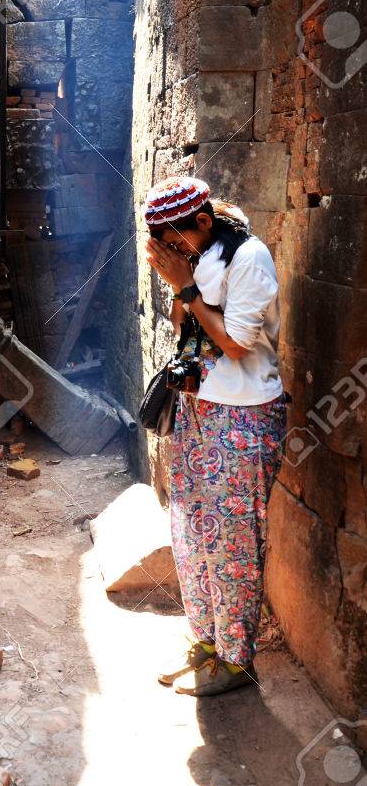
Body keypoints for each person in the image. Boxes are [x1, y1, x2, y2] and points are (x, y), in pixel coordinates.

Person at [143, 175, 286, 697]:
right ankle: (208, 645)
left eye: (175, 241)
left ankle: (237, 660)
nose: (173, 251)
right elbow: (186, 334)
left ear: (202, 222)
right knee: (193, 533)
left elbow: (233, 345)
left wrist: (185, 285)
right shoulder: (198, 258)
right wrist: (178, 284)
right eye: (165, 247)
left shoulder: (250, 258)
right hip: (199, 410)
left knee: (233, 543)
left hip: (243, 417)